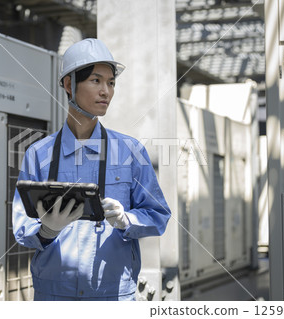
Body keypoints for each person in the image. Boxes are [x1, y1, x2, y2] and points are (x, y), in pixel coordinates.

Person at [12, 38, 171, 301]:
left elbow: (158, 215)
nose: (106, 91)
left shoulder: (131, 152)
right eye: (96, 80)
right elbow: (21, 225)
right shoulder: (38, 155)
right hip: (54, 298)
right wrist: (46, 231)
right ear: (68, 84)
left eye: (111, 83)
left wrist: (126, 220)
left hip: (113, 297)